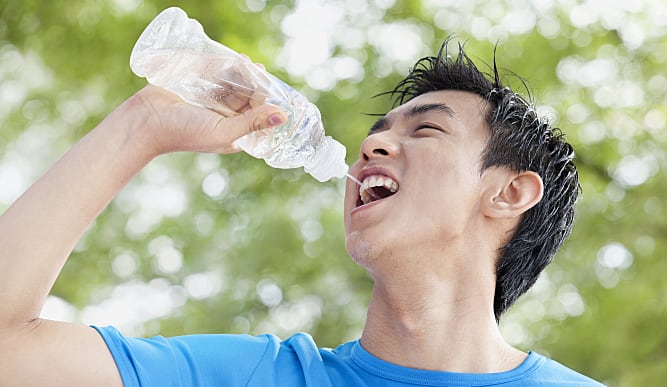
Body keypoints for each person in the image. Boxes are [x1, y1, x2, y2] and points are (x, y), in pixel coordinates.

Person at [0, 38, 605, 386]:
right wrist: (145, 124)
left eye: (427, 130)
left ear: (509, 193)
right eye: (377, 133)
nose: (374, 145)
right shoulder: (252, 376)